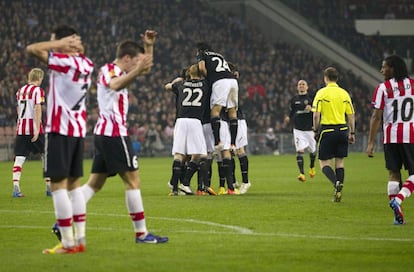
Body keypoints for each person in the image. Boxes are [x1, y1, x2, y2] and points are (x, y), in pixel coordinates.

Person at [73, 32, 168, 244]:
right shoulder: (108, 70)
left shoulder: (122, 70)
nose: (136, 66)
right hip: (113, 134)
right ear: (127, 58)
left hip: (105, 134)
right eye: (134, 60)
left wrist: (148, 46)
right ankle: (142, 234)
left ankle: (63, 219)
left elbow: (144, 68)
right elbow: (115, 85)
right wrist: (136, 70)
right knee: (133, 181)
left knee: (93, 185)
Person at [26, 25, 94, 254]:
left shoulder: (65, 63)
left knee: (57, 187)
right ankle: (80, 239)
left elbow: (32, 49)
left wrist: (58, 45)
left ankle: (67, 242)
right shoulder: (87, 64)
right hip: (77, 131)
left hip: (59, 129)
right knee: (74, 186)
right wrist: (67, 45)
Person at [366, 54, 414, 225]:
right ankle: (399, 200)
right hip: (410, 136)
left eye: (384, 66)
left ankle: (397, 217)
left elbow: (375, 116)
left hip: (390, 137)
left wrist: (371, 143)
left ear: (392, 68)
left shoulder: (382, 88)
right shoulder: (413, 85)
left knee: (393, 174)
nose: (381, 70)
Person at [165, 64, 211, 196]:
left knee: (179, 155)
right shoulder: (205, 84)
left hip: (180, 121)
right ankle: (185, 183)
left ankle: (174, 187)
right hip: (195, 121)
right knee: (200, 155)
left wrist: (177, 80)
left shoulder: (181, 84)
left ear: (189, 74)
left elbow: (167, 86)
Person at [312, 67, 355, 202]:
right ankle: (338, 192)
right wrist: (352, 132)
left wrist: (315, 130)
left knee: (324, 163)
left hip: (328, 130)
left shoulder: (321, 93)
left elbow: (316, 115)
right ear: (337, 78)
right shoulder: (344, 94)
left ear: (325, 78)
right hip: (343, 130)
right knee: (340, 162)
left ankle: (336, 182)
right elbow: (351, 115)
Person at [12, 68, 51, 197]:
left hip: (21, 128)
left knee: (19, 158)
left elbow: (18, 109)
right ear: (39, 78)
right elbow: (37, 108)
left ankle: (16, 187)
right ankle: (49, 187)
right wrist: (36, 128)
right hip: (33, 128)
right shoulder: (38, 91)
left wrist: (20, 123)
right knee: (46, 154)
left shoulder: (20, 91)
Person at [196, 42, 239, 154]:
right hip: (233, 82)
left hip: (220, 82)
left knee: (215, 111)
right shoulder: (220, 55)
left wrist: (209, 78)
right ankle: (233, 144)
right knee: (232, 112)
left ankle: (217, 142)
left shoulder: (202, 54)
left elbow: (201, 68)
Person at [285, 79, 317, 182]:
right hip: (298, 129)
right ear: (297, 87)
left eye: (303, 84)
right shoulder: (294, 99)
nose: (301, 86)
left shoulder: (312, 98)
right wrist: (288, 117)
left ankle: (312, 167)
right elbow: (291, 111)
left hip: (310, 129)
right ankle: (302, 173)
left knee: (312, 151)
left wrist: (311, 109)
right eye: (299, 84)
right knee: (299, 150)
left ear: (307, 87)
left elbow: (317, 112)